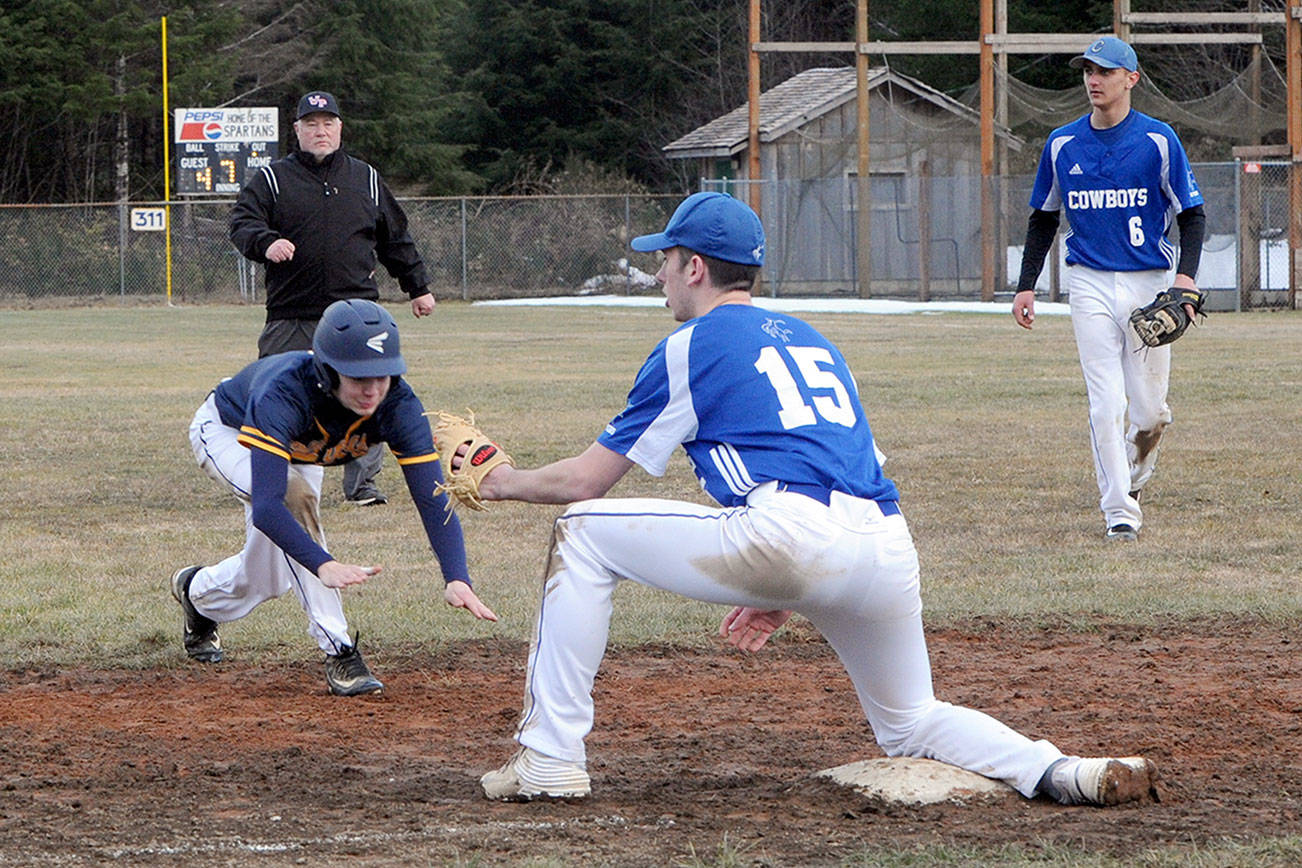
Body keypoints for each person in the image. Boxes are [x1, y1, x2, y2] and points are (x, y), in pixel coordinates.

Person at [464, 191, 1159, 806]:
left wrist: (500, 482)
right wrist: (785, 588)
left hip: (790, 534)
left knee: (583, 529)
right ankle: (1062, 770)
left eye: (666, 260)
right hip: (885, 543)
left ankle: (549, 758)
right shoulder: (814, 340)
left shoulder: (689, 344)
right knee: (911, 719)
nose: (660, 274)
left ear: (696, 268)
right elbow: (848, 466)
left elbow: (586, 482)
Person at [171, 299, 496, 696]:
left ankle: (197, 594)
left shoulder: (399, 405)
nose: (372, 389)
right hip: (229, 431)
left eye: (383, 374)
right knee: (294, 499)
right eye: (358, 377)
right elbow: (269, 507)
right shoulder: (284, 393)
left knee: (267, 579)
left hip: (299, 449)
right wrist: (323, 564)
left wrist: (456, 576)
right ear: (327, 371)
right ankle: (339, 650)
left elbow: (432, 498)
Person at [1013, 36, 1205, 541]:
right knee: (1105, 402)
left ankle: (1134, 478)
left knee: (1150, 413)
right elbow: (1043, 217)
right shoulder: (1062, 144)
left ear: (1131, 78)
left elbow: (1192, 214)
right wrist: (1026, 285)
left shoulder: (1158, 140)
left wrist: (1185, 279)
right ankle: (1119, 511)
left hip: (1148, 282)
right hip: (1089, 281)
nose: (1093, 80)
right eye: (1088, 71)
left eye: (1105, 71)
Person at [230, 90, 438, 506]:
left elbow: (395, 238)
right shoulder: (272, 179)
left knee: (370, 395)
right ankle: (274, 482)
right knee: (276, 392)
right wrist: (266, 242)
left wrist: (418, 287)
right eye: (311, 124)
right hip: (293, 312)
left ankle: (362, 486)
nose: (320, 131)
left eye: (327, 123)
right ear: (297, 130)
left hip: (357, 313)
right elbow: (241, 223)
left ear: (340, 128)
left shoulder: (366, 178)